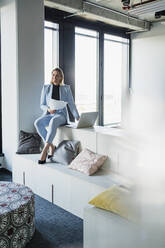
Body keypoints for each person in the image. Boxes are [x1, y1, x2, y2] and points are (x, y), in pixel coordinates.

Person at [34, 67, 80, 164]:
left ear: (61, 78)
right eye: (53, 75)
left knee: (53, 121)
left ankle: (45, 149)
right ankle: (51, 146)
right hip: (50, 113)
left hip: (61, 115)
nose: (54, 77)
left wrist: (77, 117)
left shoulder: (66, 89)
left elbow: (71, 104)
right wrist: (48, 109)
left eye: (57, 75)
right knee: (37, 123)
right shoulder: (46, 88)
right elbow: (42, 104)